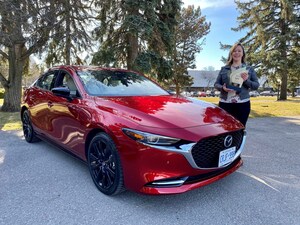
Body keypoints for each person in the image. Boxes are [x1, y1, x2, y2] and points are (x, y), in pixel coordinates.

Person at [214, 42, 259, 127]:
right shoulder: (224, 69)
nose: (237, 53)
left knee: (240, 129)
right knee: (225, 129)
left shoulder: (249, 69)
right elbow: (216, 84)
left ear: (243, 54)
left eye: (239, 51)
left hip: (243, 104)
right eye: (234, 51)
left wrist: (246, 80)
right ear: (231, 53)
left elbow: (256, 85)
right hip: (225, 104)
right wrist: (222, 88)